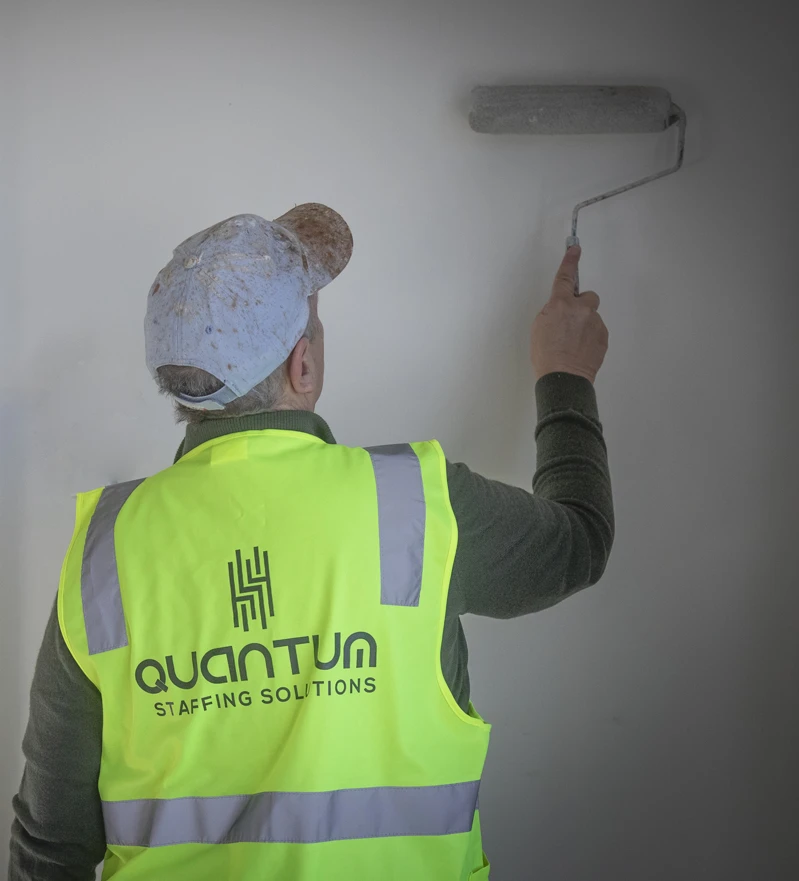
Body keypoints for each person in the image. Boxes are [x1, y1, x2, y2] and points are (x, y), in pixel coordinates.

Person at [9, 203, 613, 880]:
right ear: (303, 365)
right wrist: (565, 374)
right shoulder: (419, 505)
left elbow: (49, 846)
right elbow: (579, 542)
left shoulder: (105, 552)